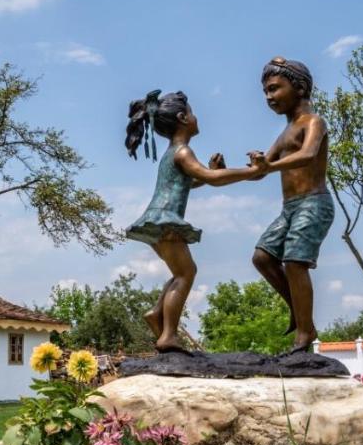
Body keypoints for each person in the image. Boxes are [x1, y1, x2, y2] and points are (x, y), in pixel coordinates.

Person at [125, 90, 267, 353]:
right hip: (165, 222)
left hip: (157, 221)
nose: (196, 117)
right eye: (192, 113)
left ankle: (157, 314)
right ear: (183, 118)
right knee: (186, 274)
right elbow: (210, 178)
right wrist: (251, 172)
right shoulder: (182, 152)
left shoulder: (173, 153)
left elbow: (193, 182)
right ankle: (167, 334)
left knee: (181, 272)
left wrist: (214, 171)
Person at [249, 57, 334, 354]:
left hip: (314, 203)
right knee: (262, 257)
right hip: (290, 209)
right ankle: (300, 316)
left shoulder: (314, 122)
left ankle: (304, 331)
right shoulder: (284, 133)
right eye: (265, 92)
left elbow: (308, 154)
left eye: (274, 88)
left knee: (295, 261)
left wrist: (267, 166)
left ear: (298, 87)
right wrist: (223, 169)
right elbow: (261, 169)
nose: (269, 97)